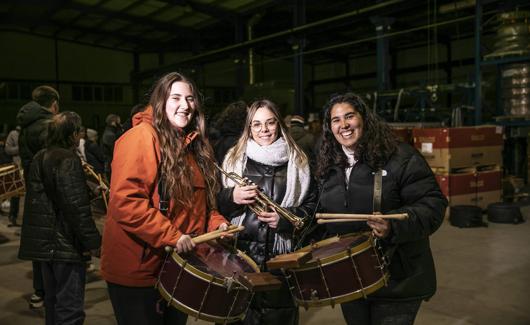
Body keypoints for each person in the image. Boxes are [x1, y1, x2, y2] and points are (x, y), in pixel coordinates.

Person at [100, 72, 230, 325]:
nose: (185, 105)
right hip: (139, 270)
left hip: (176, 268)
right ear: (161, 101)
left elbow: (200, 205)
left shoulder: (193, 145)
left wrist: (217, 225)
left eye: (190, 99)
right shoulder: (141, 137)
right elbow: (127, 202)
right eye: (176, 97)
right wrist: (172, 236)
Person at [315, 93, 447, 325]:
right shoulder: (328, 165)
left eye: (349, 116)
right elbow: (316, 212)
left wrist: (392, 227)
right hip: (351, 277)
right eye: (335, 120)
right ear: (329, 127)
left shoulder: (400, 157)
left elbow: (433, 206)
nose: (343, 125)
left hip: (397, 280)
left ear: (364, 119)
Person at [217, 99, 317, 325]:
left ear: (280, 125)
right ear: (249, 128)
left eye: (270, 123)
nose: (264, 130)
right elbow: (212, 204)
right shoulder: (233, 158)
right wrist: (231, 197)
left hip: (280, 264)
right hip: (239, 258)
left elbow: (313, 208)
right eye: (257, 124)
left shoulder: (299, 160)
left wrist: (286, 219)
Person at [18, 111, 102, 325]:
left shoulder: (41, 155)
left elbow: (54, 194)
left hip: (46, 246)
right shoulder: (67, 159)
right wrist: (94, 243)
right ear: (72, 134)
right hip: (64, 245)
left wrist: (89, 190)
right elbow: (75, 207)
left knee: (53, 306)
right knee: (70, 311)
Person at [17, 85, 60, 309]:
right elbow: (53, 162)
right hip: (48, 190)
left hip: (33, 188)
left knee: (38, 238)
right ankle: (47, 291)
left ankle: (39, 290)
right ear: (54, 104)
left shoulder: (26, 126)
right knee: (51, 239)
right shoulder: (47, 126)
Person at [4, 126, 22, 227]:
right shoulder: (13, 134)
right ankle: (13, 217)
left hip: (28, 166)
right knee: (15, 193)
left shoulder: (28, 132)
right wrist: (21, 148)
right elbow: (8, 149)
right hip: (16, 166)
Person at [101, 113, 122, 178]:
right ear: (113, 122)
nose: (120, 124)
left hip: (110, 164)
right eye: (118, 122)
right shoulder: (110, 135)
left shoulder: (109, 133)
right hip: (110, 165)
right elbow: (114, 150)